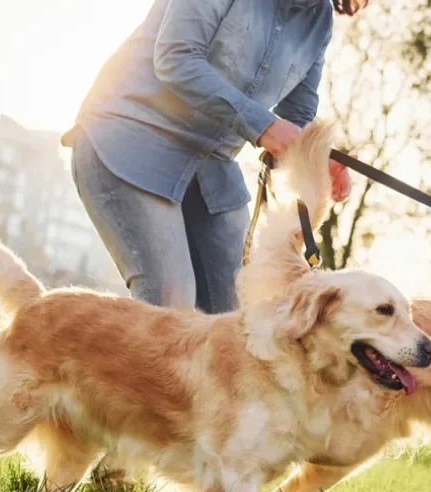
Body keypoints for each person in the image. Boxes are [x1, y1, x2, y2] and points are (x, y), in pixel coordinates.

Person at [62, 0, 366, 315]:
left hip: (213, 169)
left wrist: (316, 159)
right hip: (130, 140)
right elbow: (176, 58)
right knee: (171, 308)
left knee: (243, 317)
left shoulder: (319, 18)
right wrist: (263, 126)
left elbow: (298, 114)